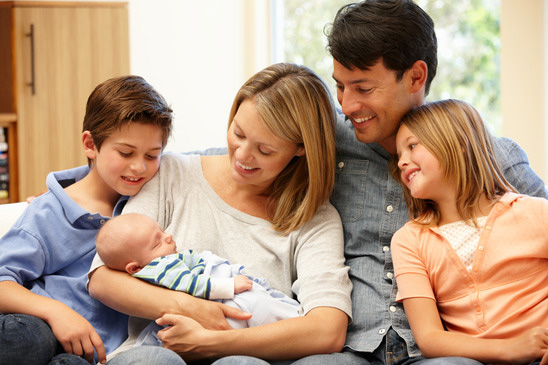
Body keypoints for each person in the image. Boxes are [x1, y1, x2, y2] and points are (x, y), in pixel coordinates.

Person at [294, 1, 548, 364]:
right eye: (340, 87)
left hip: (440, 353)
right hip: (351, 349)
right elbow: (247, 149)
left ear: (415, 77)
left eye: (363, 88)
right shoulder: (328, 138)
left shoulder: (490, 157)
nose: (347, 105)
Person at [88, 62, 352, 363]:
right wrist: (190, 307)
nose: (241, 155)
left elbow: (327, 330)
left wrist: (215, 342)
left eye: (264, 150)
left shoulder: (314, 219)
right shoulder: (172, 174)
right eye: (238, 133)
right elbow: (103, 279)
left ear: (300, 148)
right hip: (155, 351)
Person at [0, 75, 183, 365]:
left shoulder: (156, 193)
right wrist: (55, 312)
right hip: (61, 342)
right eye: (126, 152)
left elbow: (211, 159)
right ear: (90, 144)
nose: (139, 166)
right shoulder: (48, 213)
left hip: (126, 351)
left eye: (152, 154)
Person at [390, 99, 548, 364]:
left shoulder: (536, 213)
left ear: (459, 144)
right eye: (398, 156)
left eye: (412, 146)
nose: (402, 162)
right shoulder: (409, 241)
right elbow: (430, 339)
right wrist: (509, 349)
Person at [95, 212, 300, 341]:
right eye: (157, 242)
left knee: (268, 308)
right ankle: (297, 325)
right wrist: (229, 286)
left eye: (162, 231)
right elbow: (191, 284)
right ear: (135, 267)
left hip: (219, 306)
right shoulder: (160, 268)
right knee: (262, 309)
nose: (168, 236)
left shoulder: (158, 261)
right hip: (219, 302)